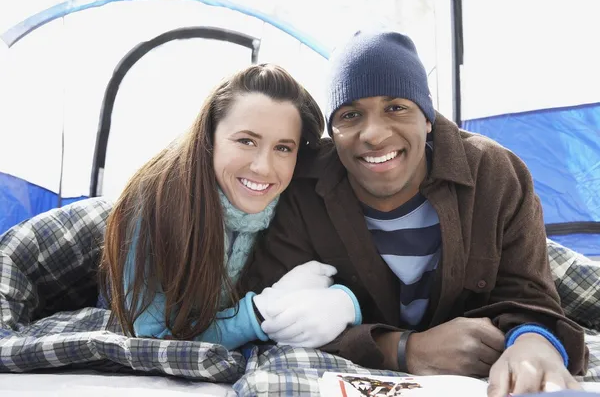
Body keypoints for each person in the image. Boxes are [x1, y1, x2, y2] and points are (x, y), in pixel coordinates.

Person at [239, 31, 588, 395]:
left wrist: (533, 342)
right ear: (333, 132)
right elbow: (275, 320)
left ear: (427, 118)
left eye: (396, 107)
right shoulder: (301, 191)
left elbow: (529, 293)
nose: (373, 134)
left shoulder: (495, 173)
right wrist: (404, 349)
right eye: (350, 114)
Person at [98, 64, 362, 351]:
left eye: (283, 148)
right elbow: (150, 340)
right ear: (209, 136)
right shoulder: (154, 204)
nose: (263, 167)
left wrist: (345, 303)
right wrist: (258, 313)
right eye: (246, 141)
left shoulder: (298, 198)